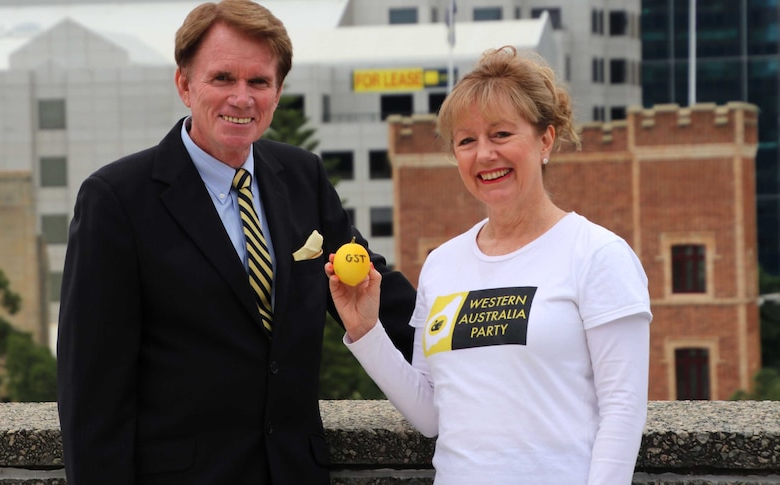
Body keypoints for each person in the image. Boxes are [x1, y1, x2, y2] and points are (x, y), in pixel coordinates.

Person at [55, 1, 416, 483]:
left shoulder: (302, 176)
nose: (241, 98)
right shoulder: (116, 199)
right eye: (222, 78)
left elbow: (379, 295)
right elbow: (91, 389)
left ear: (278, 90)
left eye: (258, 81)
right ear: (185, 84)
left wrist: (474, 355)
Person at [326, 46, 652, 485]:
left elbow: (623, 410)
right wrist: (366, 331)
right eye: (466, 141)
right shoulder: (442, 264)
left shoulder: (597, 254)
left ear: (545, 140)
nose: (484, 155)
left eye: (501, 134)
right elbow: (431, 415)